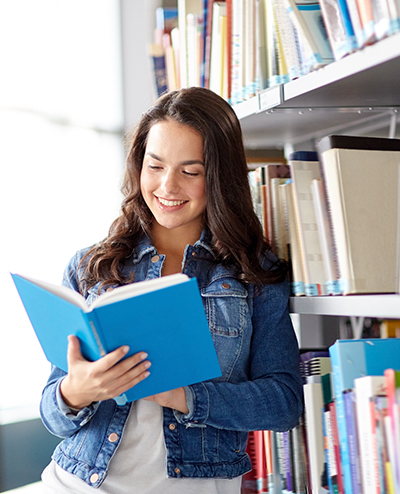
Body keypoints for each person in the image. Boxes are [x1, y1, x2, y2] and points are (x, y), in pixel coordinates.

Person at [40, 86, 303, 493]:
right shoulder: (91, 266)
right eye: (155, 166)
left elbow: (283, 403)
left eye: (190, 171)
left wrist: (186, 396)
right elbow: (53, 418)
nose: (167, 186)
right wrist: (76, 391)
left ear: (219, 177)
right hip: (78, 482)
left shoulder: (253, 273)